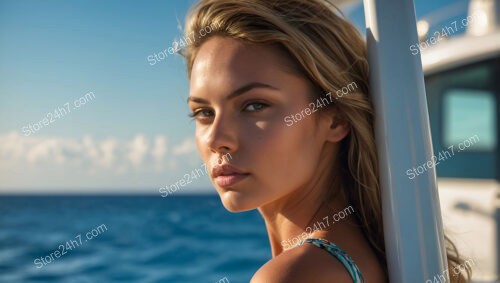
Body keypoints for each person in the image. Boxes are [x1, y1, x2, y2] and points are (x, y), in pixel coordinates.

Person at [182, 0, 472, 282]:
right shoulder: (368, 255)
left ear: (336, 119)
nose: (217, 139)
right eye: (204, 112)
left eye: (255, 105)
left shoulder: (295, 275)